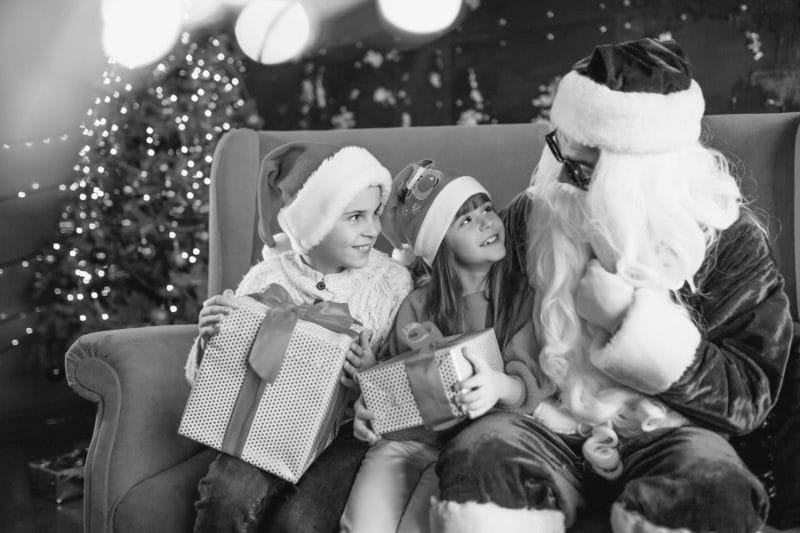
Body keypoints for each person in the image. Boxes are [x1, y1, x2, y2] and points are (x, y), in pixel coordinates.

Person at [433, 38, 793, 532]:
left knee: (713, 488)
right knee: (479, 464)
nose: (560, 173)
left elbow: (746, 394)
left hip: (669, 431)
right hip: (546, 419)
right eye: (559, 145)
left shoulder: (723, 238)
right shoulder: (531, 216)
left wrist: (629, 321)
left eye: (583, 170)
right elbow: (454, 304)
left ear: (642, 172)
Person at [183, 141, 413, 533]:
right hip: (265, 423)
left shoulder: (391, 283)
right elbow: (207, 378)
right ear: (314, 222)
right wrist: (209, 338)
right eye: (354, 216)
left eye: (375, 213)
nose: (373, 229)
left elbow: (402, 385)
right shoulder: (267, 277)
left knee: (301, 521)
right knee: (227, 493)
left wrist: (370, 374)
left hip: (346, 434)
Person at [340, 160, 553, 533]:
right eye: (465, 220)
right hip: (412, 439)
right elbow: (395, 381)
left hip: (475, 445)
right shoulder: (418, 304)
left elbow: (531, 381)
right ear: (439, 243)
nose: (487, 222)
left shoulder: (521, 294)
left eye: (486, 208)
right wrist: (369, 384)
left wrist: (499, 386)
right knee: (364, 525)